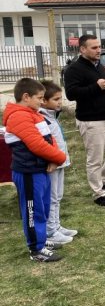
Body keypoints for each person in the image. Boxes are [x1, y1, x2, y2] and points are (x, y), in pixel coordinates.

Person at [3, 78, 67, 262]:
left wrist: (54, 159)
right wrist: (60, 158)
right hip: (28, 171)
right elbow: (37, 145)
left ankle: (42, 239)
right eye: (39, 97)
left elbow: (49, 138)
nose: (42, 101)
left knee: (43, 207)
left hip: (40, 169)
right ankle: (36, 249)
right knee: (33, 211)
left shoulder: (34, 114)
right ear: (26, 97)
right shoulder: (19, 116)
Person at [64, 34, 105, 206]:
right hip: (91, 121)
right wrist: (96, 87)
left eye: (99, 47)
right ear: (82, 49)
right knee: (95, 159)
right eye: (94, 47)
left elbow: (102, 89)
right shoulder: (74, 70)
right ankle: (98, 193)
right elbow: (71, 94)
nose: (99, 50)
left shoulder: (99, 66)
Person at [39, 80, 77, 244]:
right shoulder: (42, 119)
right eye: (55, 99)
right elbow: (43, 143)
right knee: (52, 197)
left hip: (60, 161)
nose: (59, 102)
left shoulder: (52, 116)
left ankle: (56, 225)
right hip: (52, 164)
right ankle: (50, 231)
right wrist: (52, 159)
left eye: (60, 98)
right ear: (43, 101)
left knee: (58, 196)